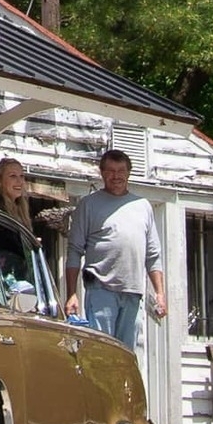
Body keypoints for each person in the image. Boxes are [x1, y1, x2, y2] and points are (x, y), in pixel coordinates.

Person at [64, 148, 166, 349]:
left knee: (126, 354)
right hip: (101, 289)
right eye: (110, 171)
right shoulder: (89, 204)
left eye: (121, 170)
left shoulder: (143, 205)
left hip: (133, 292)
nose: (116, 176)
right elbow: (74, 250)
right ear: (102, 173)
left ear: (129, 173)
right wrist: (71, 294)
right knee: (102, 351)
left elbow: (153, 255)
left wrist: (160, 293)